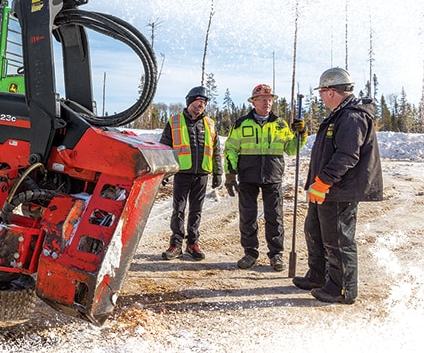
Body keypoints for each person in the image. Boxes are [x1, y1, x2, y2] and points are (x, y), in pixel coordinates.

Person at [292, 67, 383, 304]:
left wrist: (323, 182)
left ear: (332, 91)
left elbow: (347, 156)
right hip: (325, 189)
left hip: (339, 189)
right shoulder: (339, 115)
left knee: (338, 239)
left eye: (322, 92)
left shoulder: (353, 116)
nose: (321, 97)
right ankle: (319, 276)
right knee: (315, 231)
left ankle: (342, 289)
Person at [224, 84, 307, 271]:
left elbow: (291, 150)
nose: (267, 103)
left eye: (270, 100)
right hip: (248, 177)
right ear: (253, 101)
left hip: (273, 176)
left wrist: (301, 134)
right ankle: (250, 253)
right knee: (248, 216)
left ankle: (276, 255)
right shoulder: (241, 124)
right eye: (263, 99)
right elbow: (230, 149)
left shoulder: (280, 124)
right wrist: (230, 175)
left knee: (274, 217)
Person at [160, 86, 224, 261]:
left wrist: (218, 173)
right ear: (190, 102)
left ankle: (192, 244)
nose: (201, 105)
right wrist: (163, 174)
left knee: (196, 210)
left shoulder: (210, 124)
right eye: (198, 101)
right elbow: (164, 149)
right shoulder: (174, 121)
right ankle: (176, 244)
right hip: (182, 173)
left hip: (202, 173)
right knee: (178, 209)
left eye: (204, 102)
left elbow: (216, 151)